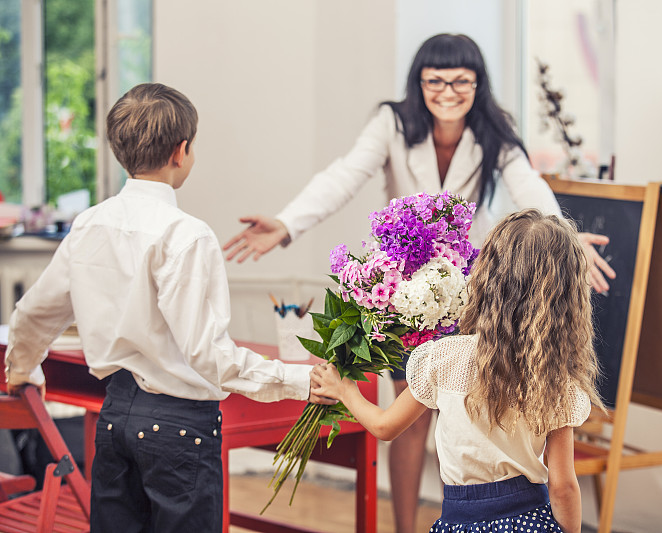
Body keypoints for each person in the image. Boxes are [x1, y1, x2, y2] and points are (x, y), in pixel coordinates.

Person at [223, 33, 614, 531]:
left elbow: (529, 186)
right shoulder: (392, 123)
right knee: (409, 421)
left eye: (461, 81)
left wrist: (565, 239)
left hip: (475, 297)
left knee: (478, 408)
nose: (448, 91)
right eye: (435, 81)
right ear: (419, 82)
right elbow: (344, 175)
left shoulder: (495, 130)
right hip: (406, 298)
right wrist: (287, 222)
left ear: (478, 84)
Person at [3, 82, 335, 533]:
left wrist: (23, 370)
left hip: (113, 420)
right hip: (180, 432)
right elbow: (208, 356)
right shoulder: (187, 235)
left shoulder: (88, 225)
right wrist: (300, 380)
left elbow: (34, 314)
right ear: (182, 151)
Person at [310, 208, 604, 533]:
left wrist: (344, 390)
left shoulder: (444, 358)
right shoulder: (555, 380)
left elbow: (385, 427)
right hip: (530, 521)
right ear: (567, 299)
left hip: (459, 522)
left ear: (486, 275)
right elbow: (563, 487)